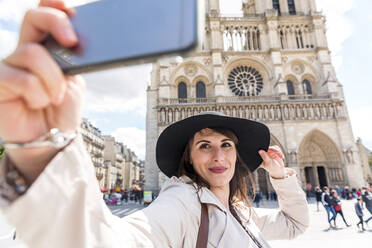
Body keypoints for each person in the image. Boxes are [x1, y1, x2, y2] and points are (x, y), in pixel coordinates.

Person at [0, 1, 309, 247]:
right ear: (187, 156)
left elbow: (295, 224)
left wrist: (281, 177)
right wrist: (41, 148)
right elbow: (114, 242)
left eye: (226, 145)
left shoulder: (238, 209)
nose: (218, 155)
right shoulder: (183, 204)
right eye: (205, 145)